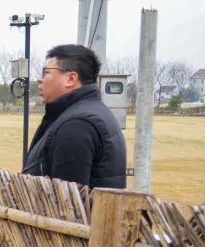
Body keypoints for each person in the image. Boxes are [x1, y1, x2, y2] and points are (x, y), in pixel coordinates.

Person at [22, 43, 127, 189]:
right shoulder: (87, 113)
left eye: (46, 73)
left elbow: (68, 198)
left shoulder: (76, 125)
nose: (40, 79)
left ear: (71, 79)